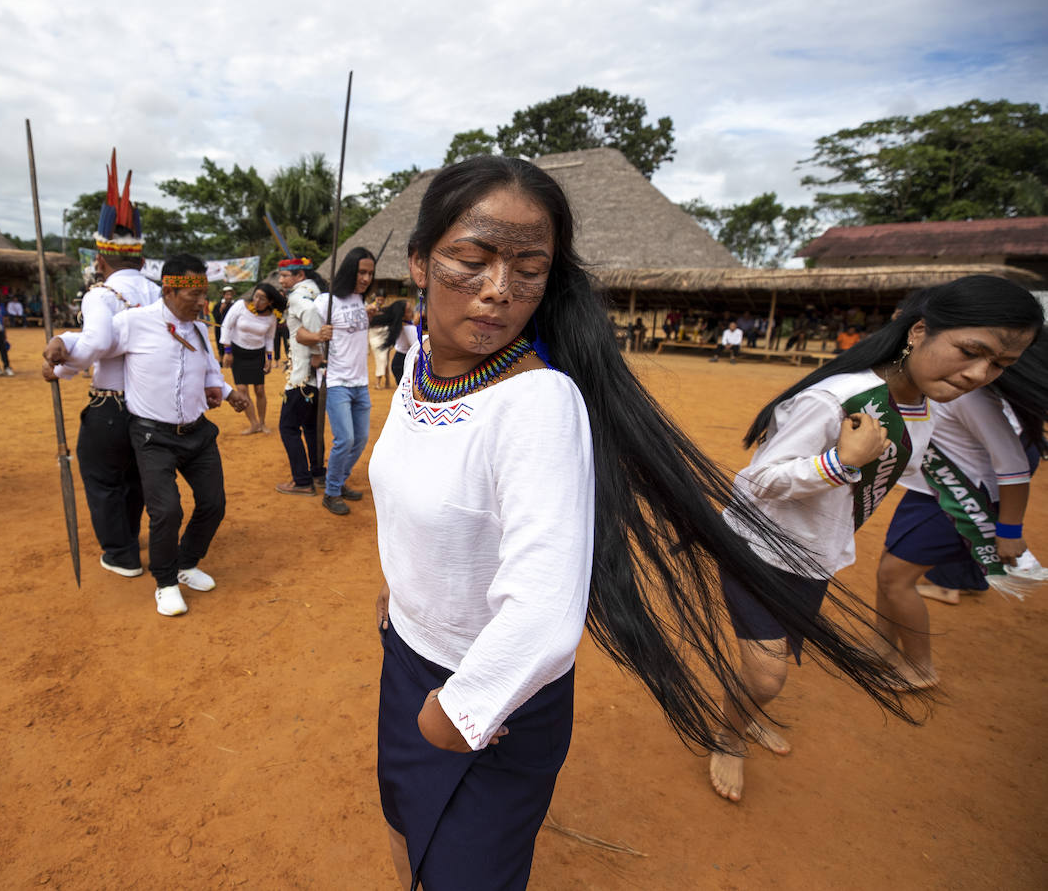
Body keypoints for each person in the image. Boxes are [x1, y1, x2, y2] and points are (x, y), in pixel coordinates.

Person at [369, 156, 920, 889]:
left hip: (487, 692)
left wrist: (463, 709)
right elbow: (419, 497)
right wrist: (404, 594)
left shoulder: (536, 404)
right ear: (418, 261)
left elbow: (541, 618)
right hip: (408, 658)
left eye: (529, 269)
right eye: (472, 260)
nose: (499, 290)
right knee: (407, 825)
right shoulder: (420, 371)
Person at [712, 274, 1042, 804]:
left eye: (1000, 365)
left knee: (771, 666)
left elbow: (899, 476)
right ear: (919, 332)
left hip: (816, 559)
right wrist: (839, 462)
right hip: (761, 549)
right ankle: (727, 735)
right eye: (970, 351)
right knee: (769, 673)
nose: (980, 374)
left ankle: (743, 714)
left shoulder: (924, 409)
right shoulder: (837, 400)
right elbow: (755, 483)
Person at [44, 254, 249, 616]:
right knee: (166, 510)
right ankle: (166, 582)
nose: (203, 302)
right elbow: (91, 343)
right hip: (154, 437)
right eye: (195, 295)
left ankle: (187, 563)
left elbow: (211, 371)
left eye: (205, 293)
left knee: (213, 503)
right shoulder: (134, 323)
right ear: (169, 290)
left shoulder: (200, 330)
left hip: (198, 434)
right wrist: (60, 344)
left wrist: (228, 393)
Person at [875, 333, 1046, 681]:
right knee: (887, 571)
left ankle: (920, 668)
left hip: (963, 497)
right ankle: (881, 644)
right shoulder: (930, 381)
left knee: (895, 578)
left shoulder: (970, 396)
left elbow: (1015, 464)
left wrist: (1010, 530)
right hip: (929, 491)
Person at [48, 153, 162, 578]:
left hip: (111, 407)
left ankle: (121, 553)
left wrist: (63, 364)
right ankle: (129, 541)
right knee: (134, 478)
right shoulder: (157, 295)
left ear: (101, 258)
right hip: (149, 406)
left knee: (104, 479)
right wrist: (69, 347)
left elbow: (99, 340)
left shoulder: (99, 294)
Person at [314, 247, 375, 516]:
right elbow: (303, 333)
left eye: (370, 273)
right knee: (345, 439)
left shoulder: (361, 301)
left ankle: (338, 481)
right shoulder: (325, 302)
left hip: (360, 383)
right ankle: (331, 492)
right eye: (362, 272)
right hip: (337, 381)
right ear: (350, 270)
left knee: (360, 439)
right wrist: (319, 335)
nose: (366, 278)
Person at [275, 258, 328, 496]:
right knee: (311, 426)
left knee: (288, 426)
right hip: (315, 377)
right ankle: (317, 472)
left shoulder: (299, 298)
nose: (281, 280)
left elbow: (311, 316)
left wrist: (317, 352)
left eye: (285, 275)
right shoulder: (318, 294)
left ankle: (302, 480)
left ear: (299, 277)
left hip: (302, 376)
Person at [221, 282, 284, 435]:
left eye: (262, 299)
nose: (257, 301)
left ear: (270, 302)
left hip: (257, 354)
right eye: (256, 296)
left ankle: (262, 423)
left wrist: (269, 358)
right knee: (242, 389)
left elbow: (269, 338)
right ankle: (253, 423)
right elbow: (226, 326)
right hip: (238, 352)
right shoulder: (240, 306)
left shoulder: (271, 317)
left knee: (260, 390)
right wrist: (227, 351)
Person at [388, 301, 418, 386]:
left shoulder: (400, 325)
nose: (412, 312)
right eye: (409, 311)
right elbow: (417, 347)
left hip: (399, 359)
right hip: (405, 360)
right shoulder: (409, 328)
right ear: (402, 315)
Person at [368, 293, 395, 389]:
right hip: (374, 336)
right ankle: (377, 382)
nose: (380, 301)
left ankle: (387, 381)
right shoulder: (370, 308)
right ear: (375, 298)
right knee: (381, 359)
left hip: (385, 335)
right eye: (378, 299)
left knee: (386, 360)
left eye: (382, 300)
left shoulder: (386, 309)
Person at [211, 287, 235, 360]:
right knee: (221, 344)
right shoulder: (218, 305)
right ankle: (221, 359)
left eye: (230, 295)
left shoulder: (235, 305)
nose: (229, 297)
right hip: (220, 328)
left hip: (232, 329)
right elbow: (216, 317)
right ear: (223, 295)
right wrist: (221, 310)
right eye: (227, 295)